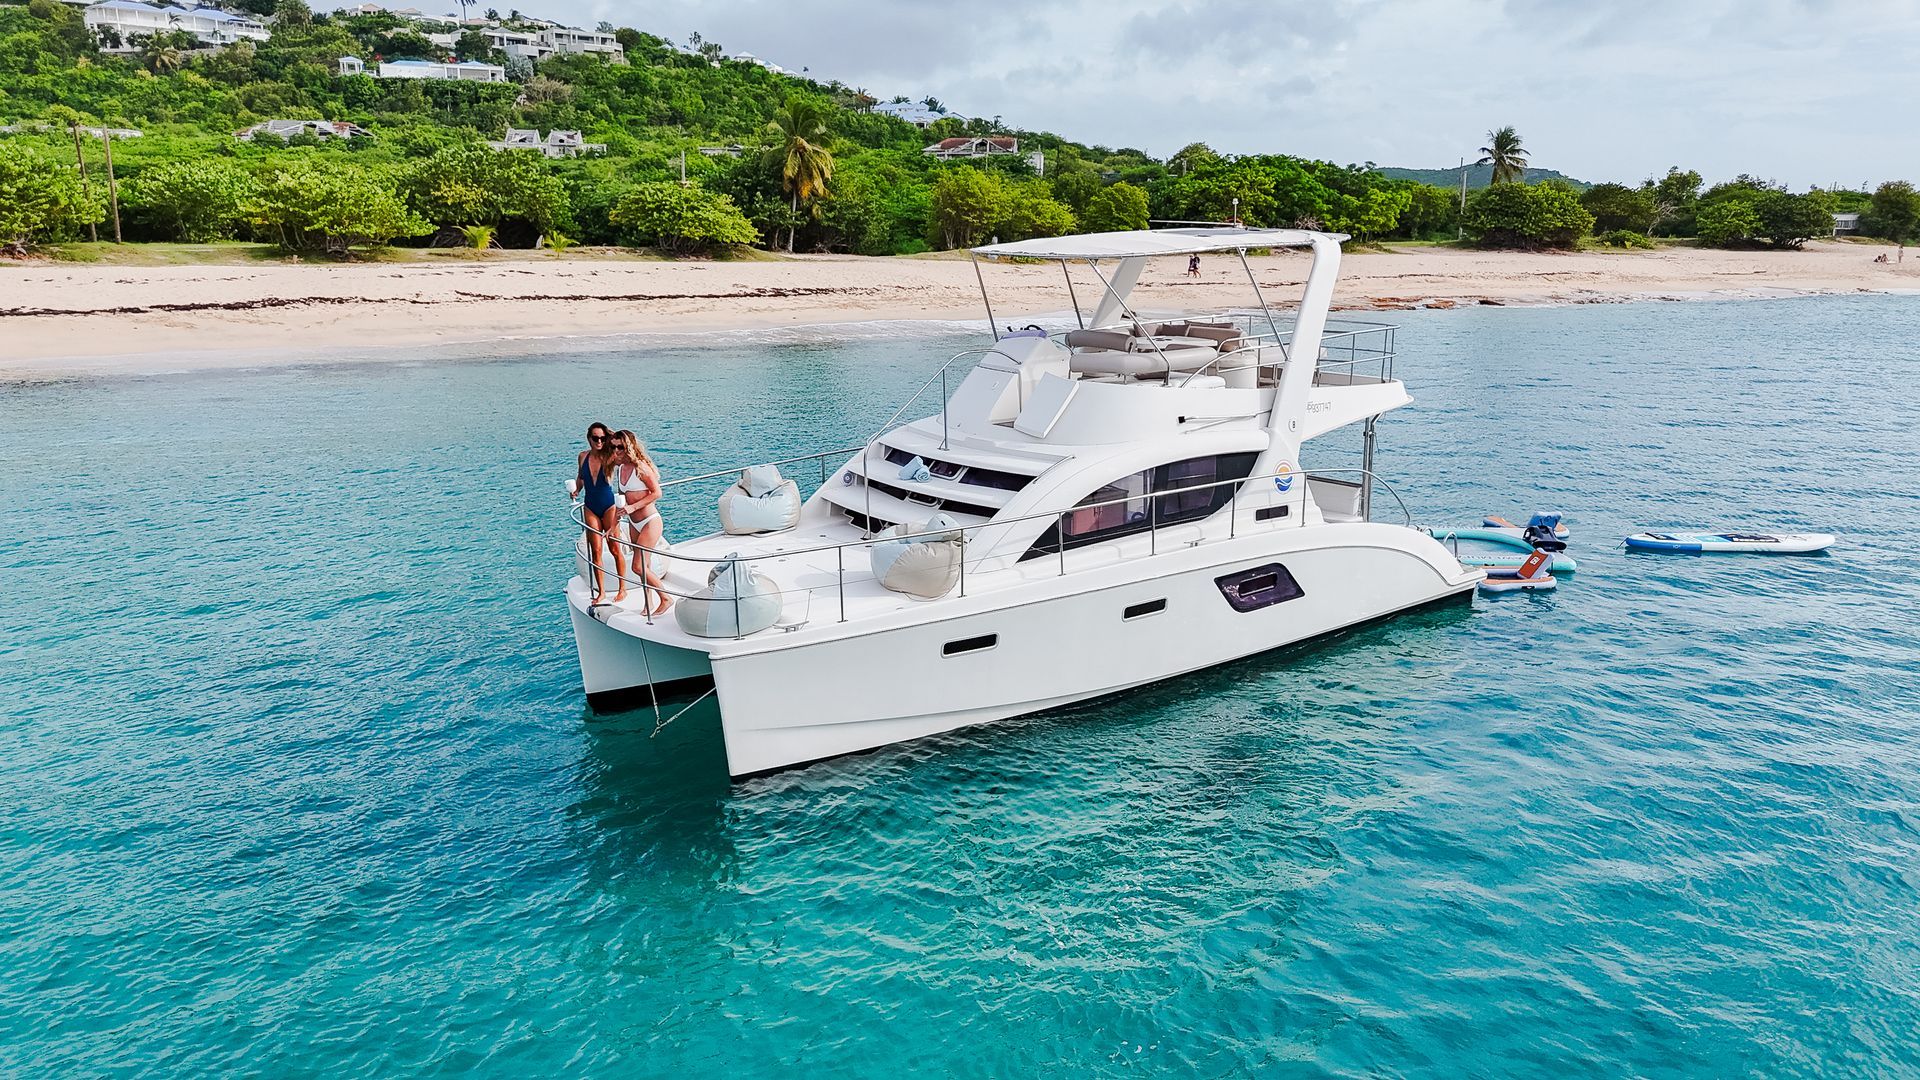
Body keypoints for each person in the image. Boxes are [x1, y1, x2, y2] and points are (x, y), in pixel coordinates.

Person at [615, 430, 672, 616]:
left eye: (620, 447)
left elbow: (657, 493)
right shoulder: (621, 469)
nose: (616, 451)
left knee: (637, 566)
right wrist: (615, 519)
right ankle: (648, 604)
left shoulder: (641, 467)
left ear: (629, 447)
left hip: (649, 522)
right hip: (633, 522)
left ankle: (665, 598)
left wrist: (633, 507)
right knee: (644, 568)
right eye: (613, 447)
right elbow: (622, 496)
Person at [572, 421, 626, 605]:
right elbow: (581, 477)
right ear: (589, 439)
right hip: (590, 506)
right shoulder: (583, 456)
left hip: (609, 506)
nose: (599, 442)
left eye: (603, 438)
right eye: (595, 438)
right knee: (596, 551)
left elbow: (625, 451)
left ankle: (622, 588)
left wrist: (611, 435)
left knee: (614, 548)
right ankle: (601, 592)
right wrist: (577, 490)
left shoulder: (610, 457)